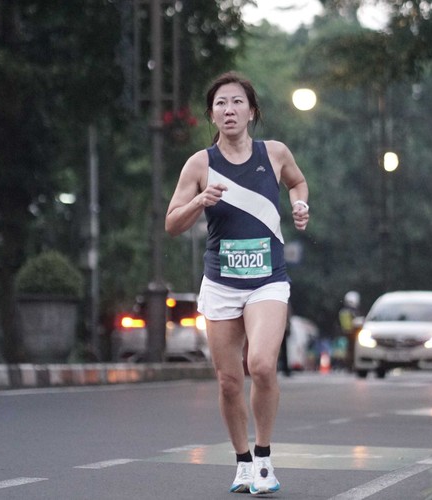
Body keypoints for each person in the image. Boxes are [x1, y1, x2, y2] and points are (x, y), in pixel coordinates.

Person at [165, 71, 309, 495]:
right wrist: (199, 200)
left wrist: (300, 204)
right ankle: (243, 462)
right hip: (222, 282)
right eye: (220, 104)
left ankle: (263, 457)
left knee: (260, 364)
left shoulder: (275, 153)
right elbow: (172, 223)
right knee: (229, 381)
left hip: (267, 280)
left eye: (237, 102)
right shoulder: (200, 164)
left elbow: (298, 182)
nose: (229, 110)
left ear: (251, 111)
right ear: (211, 114)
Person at [338, 291, 361, 371]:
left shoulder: (343, 311)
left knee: (348, 350)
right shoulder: (352, 311)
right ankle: (351, 365)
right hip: (353, 334)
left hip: (346, 333)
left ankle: (348, 365)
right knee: (352, 350)